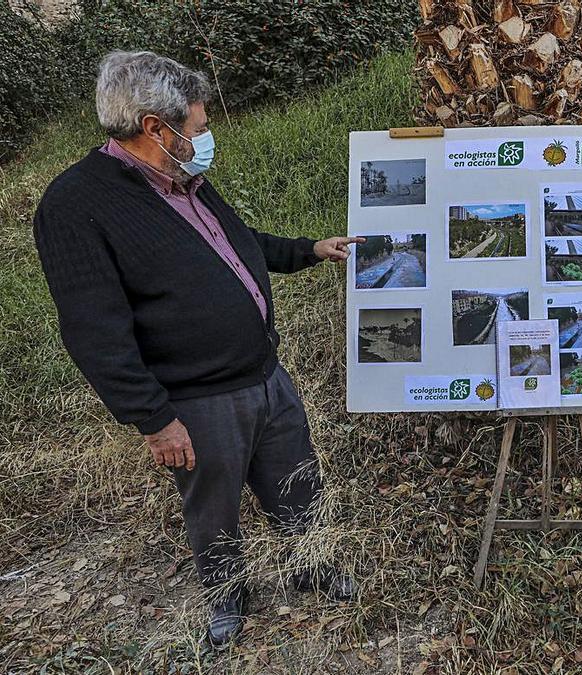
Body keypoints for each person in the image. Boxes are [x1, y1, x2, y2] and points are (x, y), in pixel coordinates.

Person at [32, 51, 365, 648]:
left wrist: (309, 249)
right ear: (156, 129)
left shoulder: (183, 182)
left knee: (296, 479)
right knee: (213, 508)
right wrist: (155, 420)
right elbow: (93, 331)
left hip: (265, 373)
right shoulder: (76, 204)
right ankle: (226, 595)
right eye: (199, 126)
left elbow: (237, 247)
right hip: (198, 398)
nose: (206, 136)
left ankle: (313, 562)